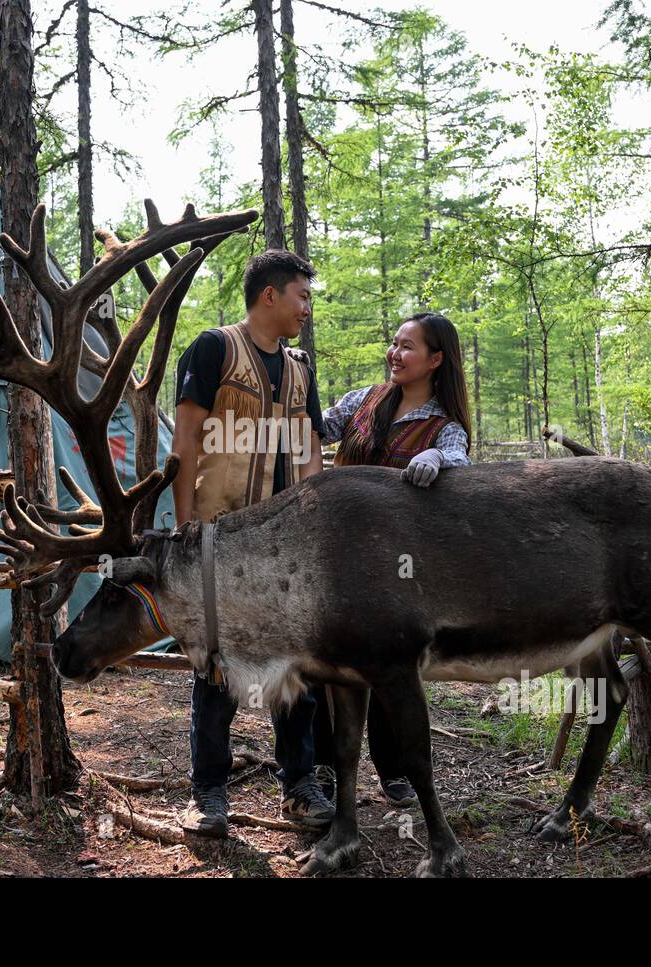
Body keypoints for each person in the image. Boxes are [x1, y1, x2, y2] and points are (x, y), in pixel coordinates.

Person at [170, 249, 335, 838]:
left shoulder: (299, 368)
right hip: (218, 538)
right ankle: (208, 793)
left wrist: (316, 522)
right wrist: (186, 529)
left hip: (285, 547)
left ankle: (300, 785)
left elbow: (311, 445)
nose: (306, 309)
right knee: (215, 666)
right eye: (302, 296)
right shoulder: (214, 349)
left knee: (295, 667)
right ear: (270, 294)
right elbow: (185, 441)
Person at [316, 311, 473, 806]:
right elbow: (317, 428)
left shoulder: (443, 428)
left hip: (394, 569)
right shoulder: (364, 400)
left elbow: (461, 461)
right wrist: (296, 379)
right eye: (394, 343)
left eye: (408, 347)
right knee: (325, 666)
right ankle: (320, 769)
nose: (395, 353)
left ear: (435, 360)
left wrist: (438, 460)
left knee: (388, 665)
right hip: (335, 556)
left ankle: (396, 770)